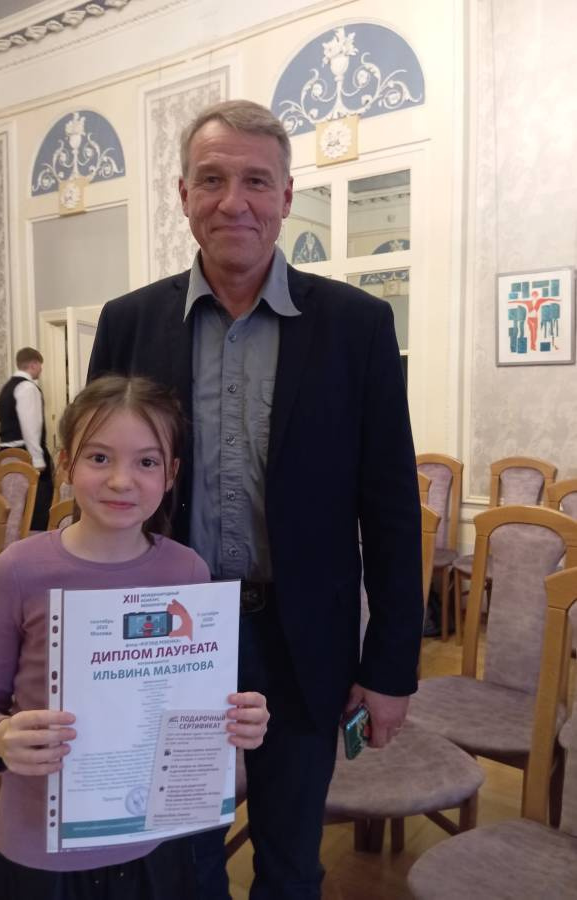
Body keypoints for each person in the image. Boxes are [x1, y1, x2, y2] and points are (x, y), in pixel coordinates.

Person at [87, 99, 424, 899]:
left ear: (285, 196)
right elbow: (96, 493)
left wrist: (390, 669)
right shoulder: (128, 323)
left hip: (302, 640)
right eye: (211, 180)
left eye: (255, 181)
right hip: (165, 635)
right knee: (180, 854)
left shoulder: (356, 326)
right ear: (182, 195)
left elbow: (390, 510)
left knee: (289, 859)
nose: (232, 201)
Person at [0, 374, 269, 900]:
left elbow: (197, 703)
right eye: (99, 457)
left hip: (155, 843)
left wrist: (240, 720)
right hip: (42, 847)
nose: (122, 480)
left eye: (146, 462)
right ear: (66, 464)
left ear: (171, 474)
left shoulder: (187, 572)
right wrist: (0, 739)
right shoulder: (19, 570)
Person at [0, 347, 53, 530]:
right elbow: (31, 427)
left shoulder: (7, 387)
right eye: (40, 365)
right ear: (34, 364)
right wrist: (37, 459)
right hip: (25, 455)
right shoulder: (28, 387)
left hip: (6, 454)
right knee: (38, 503)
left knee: (13, 503)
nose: (41, 369)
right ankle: (36, 537)